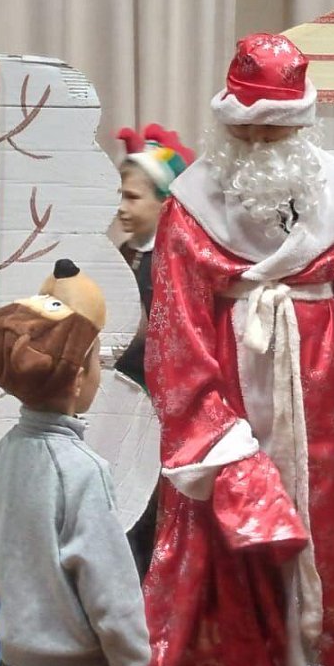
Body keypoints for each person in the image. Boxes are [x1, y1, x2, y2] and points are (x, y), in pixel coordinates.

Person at [140, 33, 334, 666]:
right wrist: (213, 435)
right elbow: (175, 328)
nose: (258, 142)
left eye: (275, 130)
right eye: (247, 129)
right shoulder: (190, 207)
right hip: (228, 399)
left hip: (321, 409)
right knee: (228, 540)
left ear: (301, 126)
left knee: (315, 536)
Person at [0, 259, 153, 666]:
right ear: (77, 382)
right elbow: (111, 589)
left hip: (16, 660)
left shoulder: (5, 453)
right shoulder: (83, 472)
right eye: (96, 362)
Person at [113, 122, 194, 575]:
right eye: (120, 195)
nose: (122, 207)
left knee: (153, 508)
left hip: (161, 408)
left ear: (165, 202)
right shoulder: (122, 254)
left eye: (132, 197)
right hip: (122, 403)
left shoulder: (176, 261)